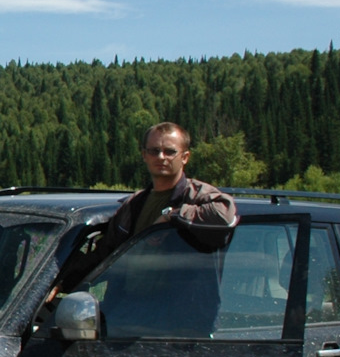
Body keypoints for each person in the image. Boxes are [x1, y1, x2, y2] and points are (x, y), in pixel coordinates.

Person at [52, 122, 237, 297]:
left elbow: (224, 216)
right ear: (144, 155)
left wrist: (172, 216)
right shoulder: (134, 204)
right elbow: (106, 253)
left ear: (185, 157)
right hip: (128, 310)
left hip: (180, 317)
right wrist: (61, 284)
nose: (161, 157)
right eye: (154, 151)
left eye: (170, 151)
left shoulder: (198, 196)